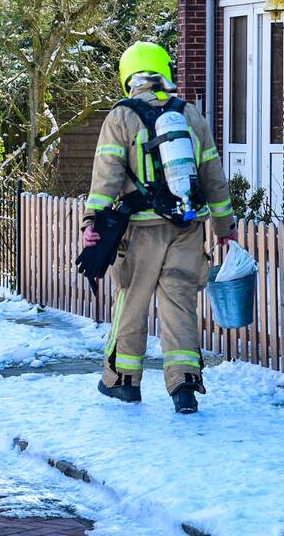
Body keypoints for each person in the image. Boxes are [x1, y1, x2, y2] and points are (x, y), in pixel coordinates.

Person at [81, 41, 236, 414]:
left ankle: (123, 382)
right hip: (186, 226)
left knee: (132, 304)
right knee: (179, 305)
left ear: (129, 76)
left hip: (140, 231)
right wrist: (223, 226)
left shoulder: (121, 117)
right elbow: (213, 175)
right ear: (164, 71)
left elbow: (107, 175)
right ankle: (184, 387)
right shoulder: (191, 115)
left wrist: (92, 221)